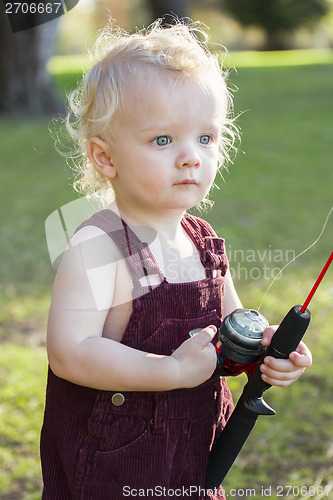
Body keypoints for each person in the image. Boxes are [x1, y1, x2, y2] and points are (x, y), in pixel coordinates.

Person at [40, 19, 312, 500]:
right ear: (105, 158)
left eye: (205, 138)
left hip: (193, 457)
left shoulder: (204, 242)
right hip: (112, 468)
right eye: (163, 140)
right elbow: (70, 351)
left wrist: (269, 349)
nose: (191, 157)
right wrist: (170, 372)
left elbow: (232, 332)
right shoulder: (99, 246)